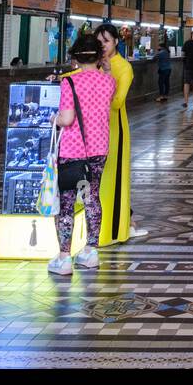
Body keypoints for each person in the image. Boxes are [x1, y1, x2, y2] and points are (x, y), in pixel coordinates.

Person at [71, 23, 145, 245]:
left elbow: (118, 102)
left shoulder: (123, 67)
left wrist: (103, 80)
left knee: (112, 180)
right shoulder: (91, 65)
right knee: (90, 181)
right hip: (89, 129)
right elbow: (74, 78)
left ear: (116, 43)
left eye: (107, 41)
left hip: (113, 129)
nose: (102, 45)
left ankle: (114, 229)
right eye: (99, 41)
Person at [49, 33, 116, 275]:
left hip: (73, 151)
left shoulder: (70, 82)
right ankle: (90, 252)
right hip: (98, 150)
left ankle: (64, 258)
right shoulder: (109, 82)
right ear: (99, 56)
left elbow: (67, 119)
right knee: (91, 197)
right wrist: (106, 68)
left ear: (75, 57)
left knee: (67, 203)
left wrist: (52, 118)